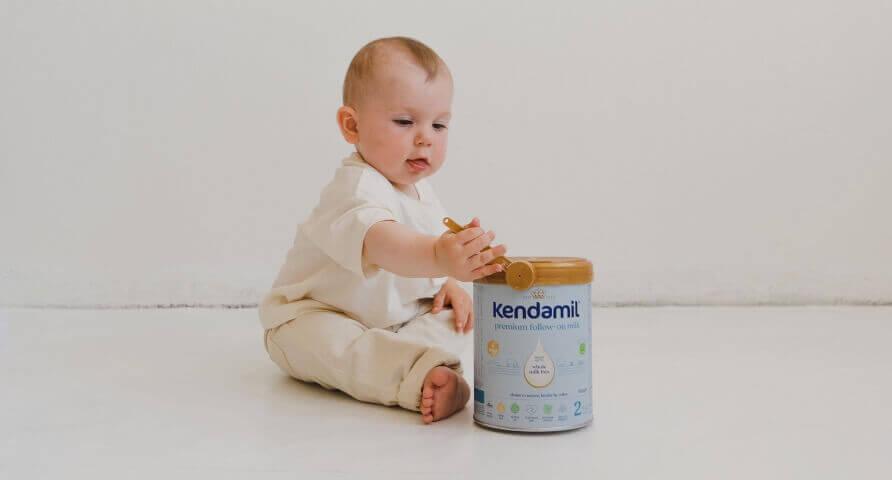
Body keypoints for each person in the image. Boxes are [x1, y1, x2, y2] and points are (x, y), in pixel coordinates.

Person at [259, 36, 508, 424]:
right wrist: (440, 255)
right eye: (405, 122)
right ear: (352, 125)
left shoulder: (421, 191)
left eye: (439, 125)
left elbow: (421, 259)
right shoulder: (356, 188)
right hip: (314, 316)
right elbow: (384, 244)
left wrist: (447, 283)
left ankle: (422, 368)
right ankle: (419, 374)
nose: (425, 137)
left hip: (393, 321)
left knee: (458, 319)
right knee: (327, 342)